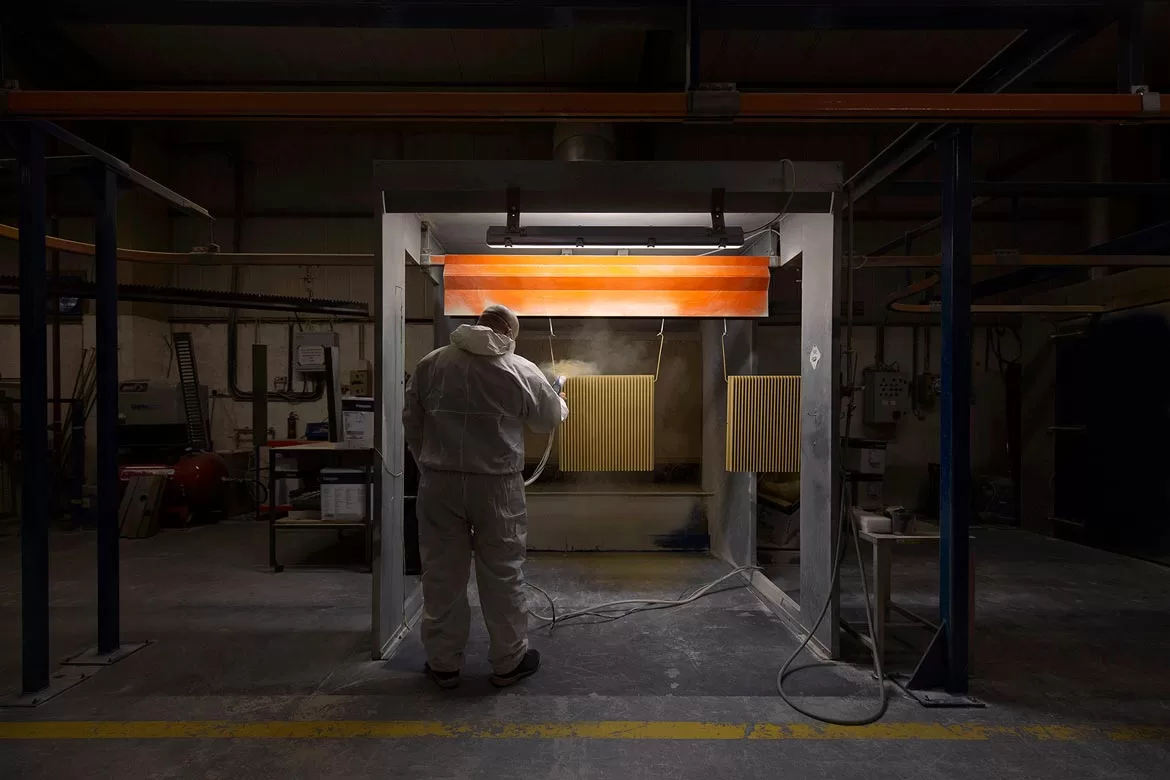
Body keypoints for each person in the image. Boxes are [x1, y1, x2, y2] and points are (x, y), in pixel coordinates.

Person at [403, 304, 567, 689]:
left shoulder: (432, 363)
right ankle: (508, 662)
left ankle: (443, 664)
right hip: (496, 486)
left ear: (478, 324)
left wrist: (428, 466)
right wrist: (556, 395)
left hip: (439, 482)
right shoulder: (520, 368)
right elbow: (546, 420)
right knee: (503, 573)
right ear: (509, 332)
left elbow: (413, 421)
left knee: (442, 573)